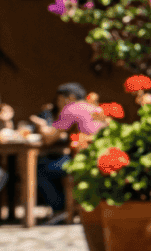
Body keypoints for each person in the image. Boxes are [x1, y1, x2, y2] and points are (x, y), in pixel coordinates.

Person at [29, 82, 104, 217]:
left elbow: (49, 138)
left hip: (83, 161)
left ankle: (61, 210)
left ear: (70, 97)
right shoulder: (95, 108)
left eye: (60, 99)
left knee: (40, 169)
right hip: (99, 158)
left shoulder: (71, 109)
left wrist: (40, 126)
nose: (58, 103)